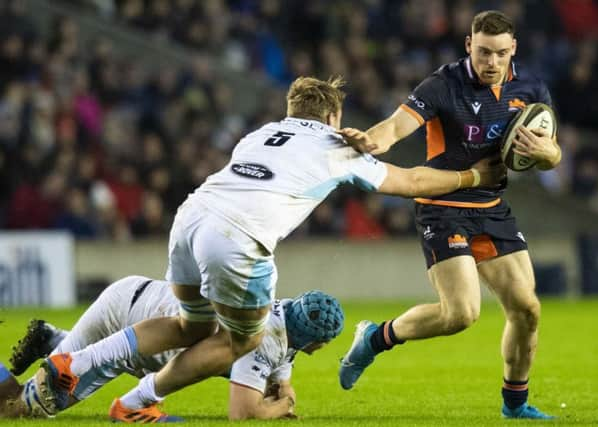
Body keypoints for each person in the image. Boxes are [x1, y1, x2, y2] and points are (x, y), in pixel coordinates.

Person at [40, 76, 504, 419]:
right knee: (243, 339)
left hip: (192, 216)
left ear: (291, 109)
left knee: (190, 324)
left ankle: (73, 362)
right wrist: (474, 177)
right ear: (332, 117)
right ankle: (137, 403)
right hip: (237, 237)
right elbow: (411, 181)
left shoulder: (259, 134)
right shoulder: (335, 143)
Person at [337, 11, 561, 420]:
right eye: (482, 52)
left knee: (527, 309)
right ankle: (374, 338)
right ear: (468, 46)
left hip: (492, 206)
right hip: (443, 207)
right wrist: (370, 140)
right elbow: (394, 127)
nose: (491, 62)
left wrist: (551, 155)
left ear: (514, 50)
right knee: (461, 315)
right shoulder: (443, 85)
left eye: (500, 54)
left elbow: (549, 152)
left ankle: (515, 404)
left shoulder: (530, 88)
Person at [0, 275, 344, 420]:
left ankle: (54, 339)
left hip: (136, 296)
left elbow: (280, 372)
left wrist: (281, 388)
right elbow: (243, 411)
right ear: (316, 341)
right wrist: (278, 407)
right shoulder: (266, 340)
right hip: (130, 327)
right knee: (22, 407)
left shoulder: (282, 313)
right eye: (325, 343)